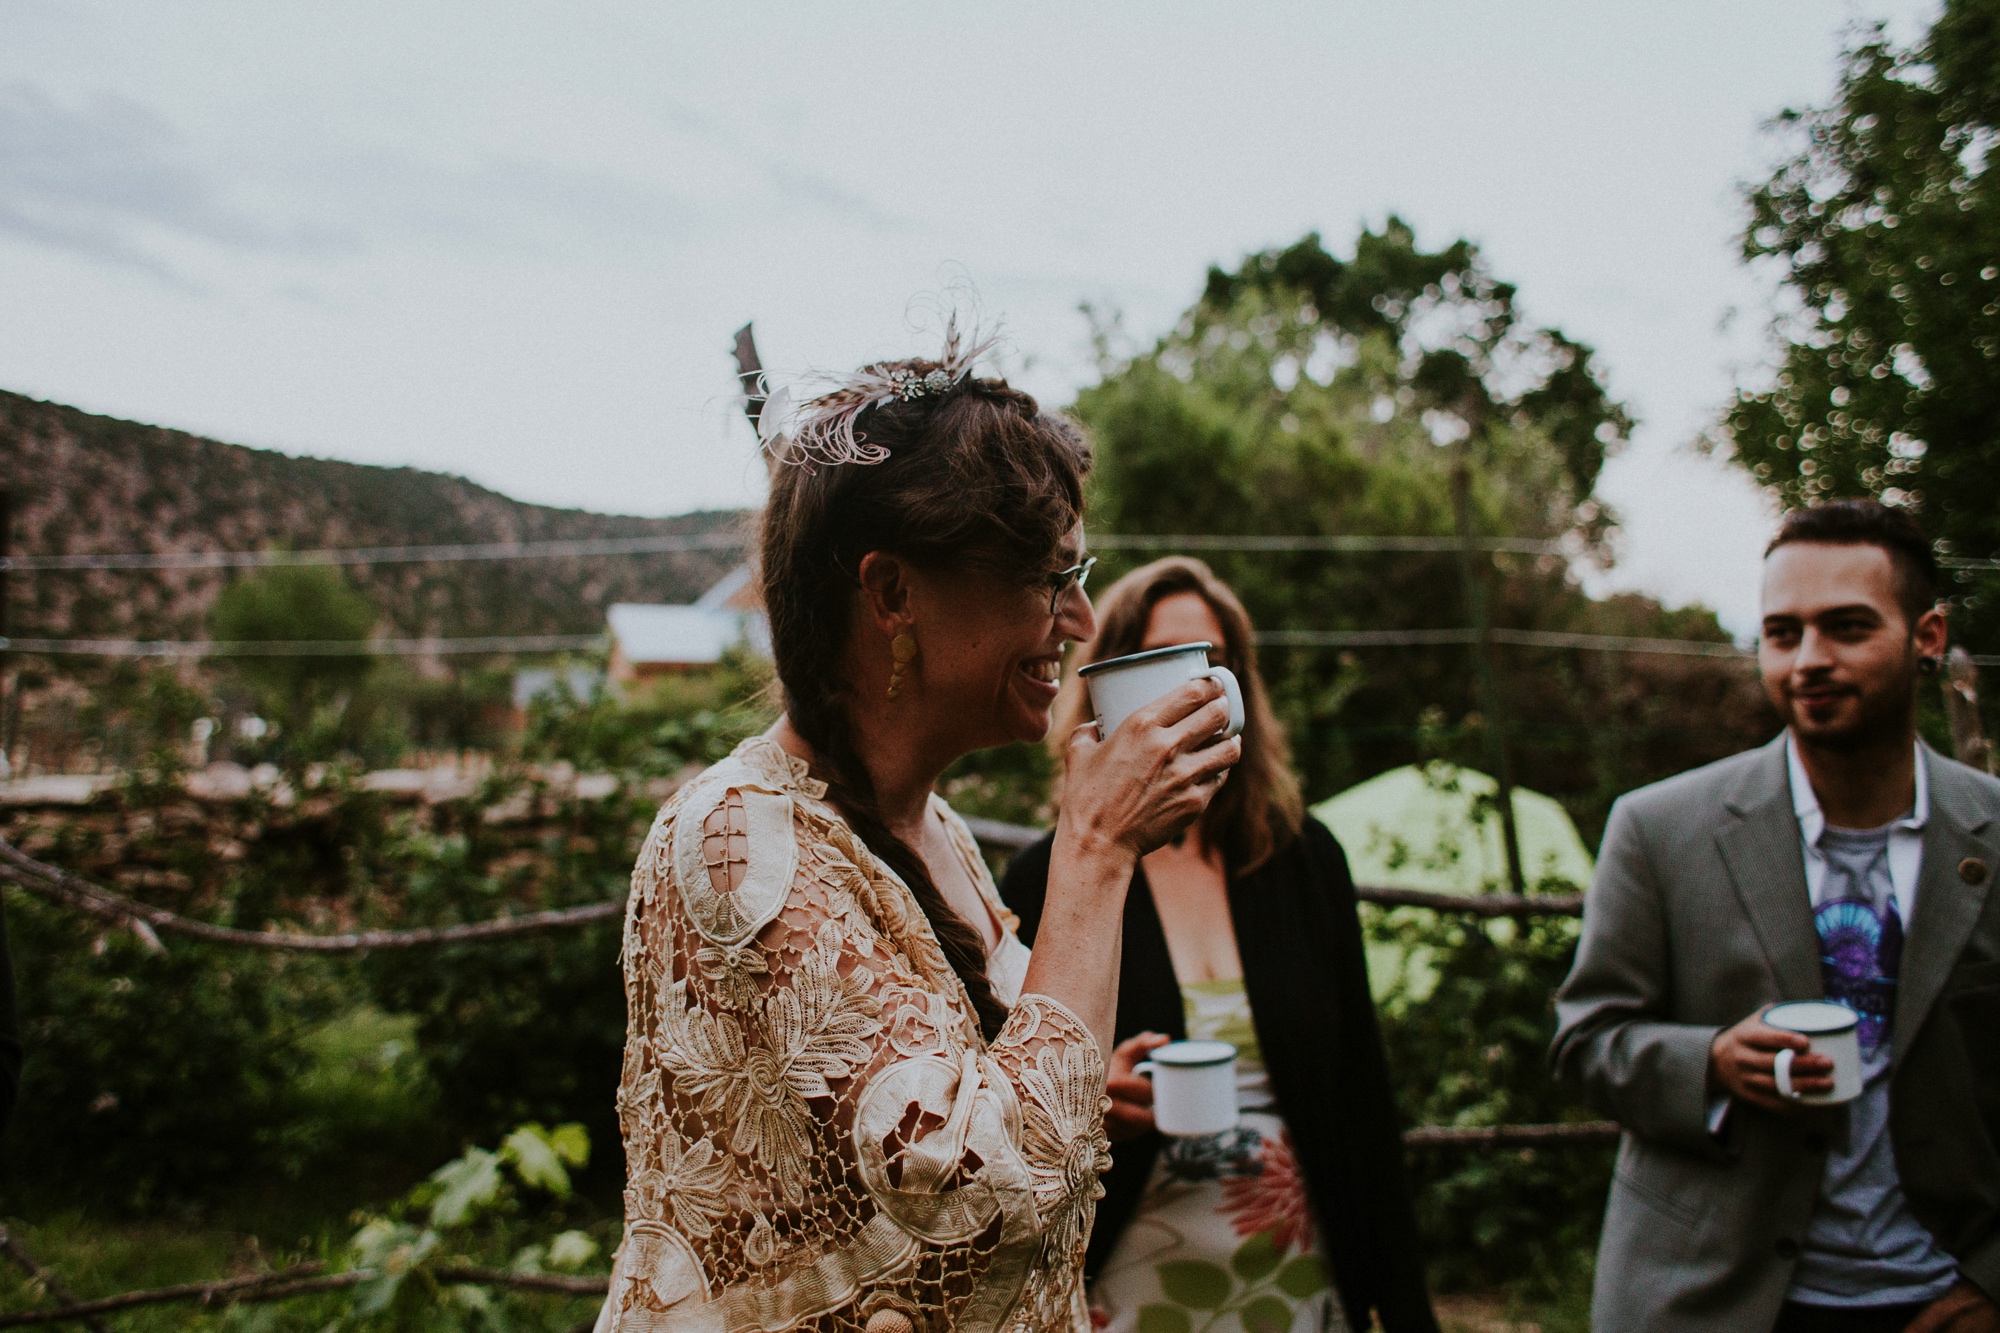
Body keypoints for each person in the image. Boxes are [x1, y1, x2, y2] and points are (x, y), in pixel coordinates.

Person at [598, 332, 1243, 1333]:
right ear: (892, 592)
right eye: (1043, 578)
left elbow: (951, 1106)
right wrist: (1096, 846)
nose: (1075, 621)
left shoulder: (933, 828)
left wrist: (1081, 1086)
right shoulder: (735, 842)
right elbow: (975, 1207)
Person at [1552, 499, 2000, 1333]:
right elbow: (1586, 1042)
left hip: (1942, 1300)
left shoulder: (1993, 832)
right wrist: (1713, 1062)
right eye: (1784, 632)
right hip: (1716, 1301)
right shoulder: (1660, 829)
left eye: (1848, 627)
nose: (1809, 660)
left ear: (1928, 638)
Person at [1001, 557, 1438, 1333]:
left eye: (1216, 661)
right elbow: (1007, 1100)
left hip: (1298, 1280)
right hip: (1127, 1284)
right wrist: (1092, 1097)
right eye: (1170, 660)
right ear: (1109, 687)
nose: (1197, 687)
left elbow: (1363, 1096)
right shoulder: (1049, 879)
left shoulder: (1302, 860)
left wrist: (1403, 1308)